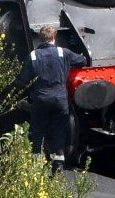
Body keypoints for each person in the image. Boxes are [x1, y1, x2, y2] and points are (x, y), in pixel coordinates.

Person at [25, 24, 87, 169]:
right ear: (54, 38)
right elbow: (81, 61)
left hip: (40, 99)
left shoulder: (33, 55)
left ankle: (36, 162)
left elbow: (24, 78)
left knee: (38, 130)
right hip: (60, 100)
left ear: (41, 39)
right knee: (59, 130)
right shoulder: (63, 52)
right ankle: (58, 162)